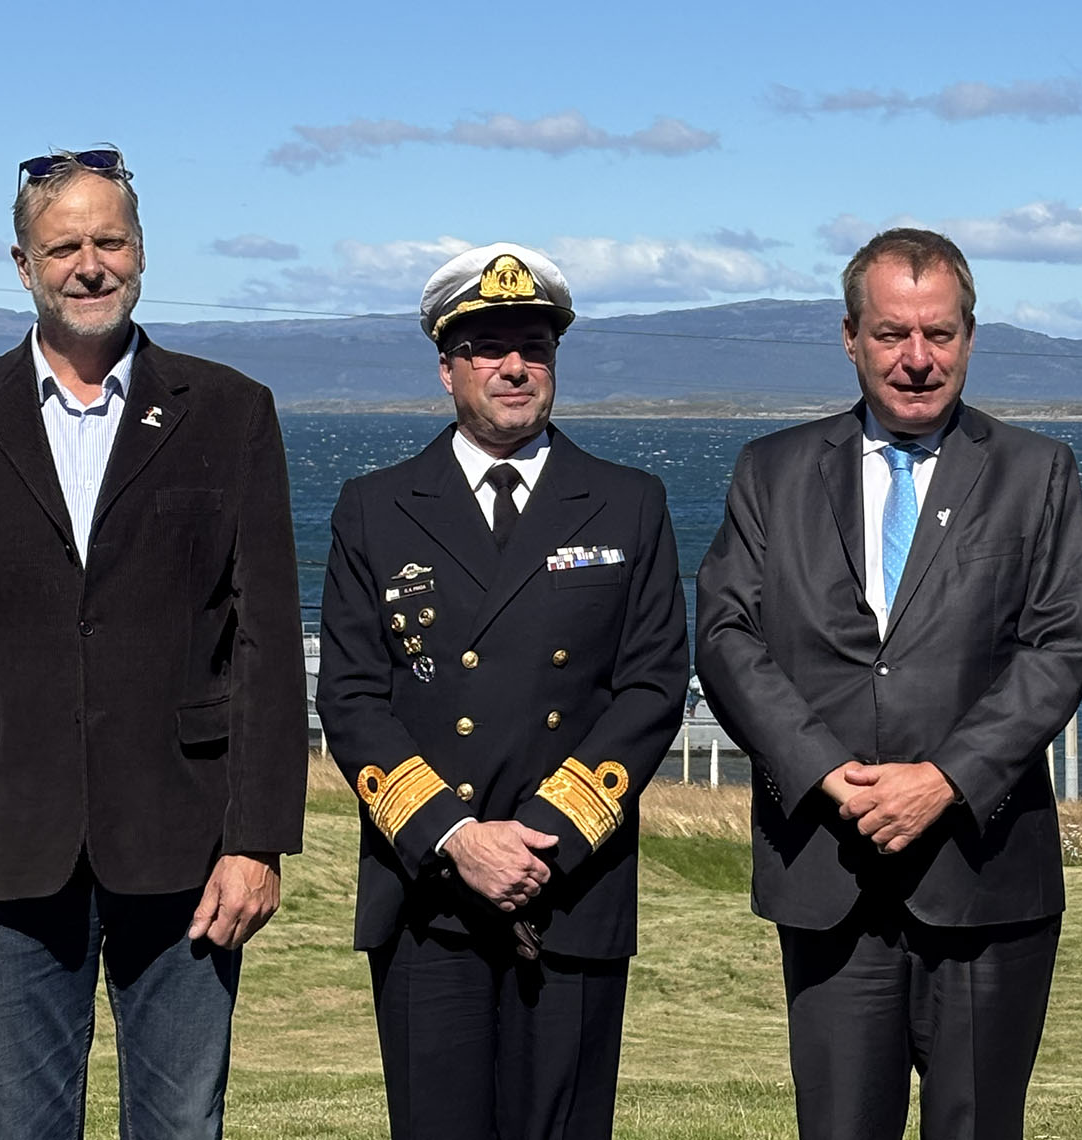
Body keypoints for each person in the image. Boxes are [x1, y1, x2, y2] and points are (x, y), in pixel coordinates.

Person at [0, 147, 308, 1139]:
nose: (90, 265)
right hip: (5, 855)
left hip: (189, 851)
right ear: (22, 265)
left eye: (110, 241)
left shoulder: (231, 412)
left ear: (142, 252)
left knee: (181, 1125)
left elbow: (268, 648)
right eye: (64, 247)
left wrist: (258, 842)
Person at [695, 227, 1082, 1140]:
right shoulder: (772, 471)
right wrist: (825, 773)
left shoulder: (1037, 472)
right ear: (850, 338)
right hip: (828, 875)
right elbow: (724, 637)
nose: (918, 358)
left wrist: (945, 779)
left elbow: (1058, 648)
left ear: (970, 338)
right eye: (892, 334)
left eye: (939, 334)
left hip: (985, 880)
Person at [315, 242, 687, 1140]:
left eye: (535, 347)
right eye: (487, 348)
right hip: (429, 893)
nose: (514, 366)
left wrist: (543, 841)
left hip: (572, 886)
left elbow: (651, 686)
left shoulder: (628, 502)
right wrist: (458, 838)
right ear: (446, 369)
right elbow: (353, 699)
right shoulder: (375, 507)